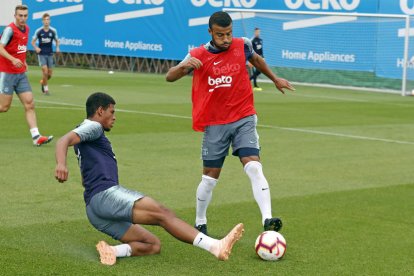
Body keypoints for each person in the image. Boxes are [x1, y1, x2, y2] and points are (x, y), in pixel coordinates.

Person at [54, 92, 244, 266]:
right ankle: (214, 246)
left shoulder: (87, 130)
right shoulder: (93, 126)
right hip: (104, 196)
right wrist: (61, 164)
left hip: (94, 210)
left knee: (152, 244)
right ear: (100, 110)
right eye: (111, 112)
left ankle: (112, 250)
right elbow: (63, 140)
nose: (114, 117)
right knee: (163, 213)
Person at [166, 11, 295, 235]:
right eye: (220, 35)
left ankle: (267, 219)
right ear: (210, 32)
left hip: (243, 116)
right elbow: (170, 76)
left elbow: (256, 59)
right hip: (215, 123)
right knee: (209, 178)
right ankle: (200, 221)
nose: (225, 39)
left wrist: (275, 79)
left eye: (228, 34)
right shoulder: (198, 54)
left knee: (253, 165)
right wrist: (184, 67)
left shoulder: (243, 45)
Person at [0, 5, 53, 146]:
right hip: (7, 73)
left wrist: (23, 61)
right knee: (4, 107)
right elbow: (0, 48)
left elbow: (20, 47)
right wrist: (13, 59)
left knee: (29, 103)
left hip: (20, 73)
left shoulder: (27, 29)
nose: (23, 18)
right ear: (15, 16)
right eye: (20, 15)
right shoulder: (10, 30)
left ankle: (36, 137)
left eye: (25, 16)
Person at [31, 13, 60, 95]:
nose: (46, 21)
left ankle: (42, 82)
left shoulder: (53, 31)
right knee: (45, 71)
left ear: (50, 21)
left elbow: (57, 40)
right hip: (41, 54)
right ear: (42, 21)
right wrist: (36, 48)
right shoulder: (39, 31)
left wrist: (57, 48)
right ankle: (46, 90)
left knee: (49, 74)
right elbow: (32, 42)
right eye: (45, 20)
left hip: (50, 54)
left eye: (48, 20)